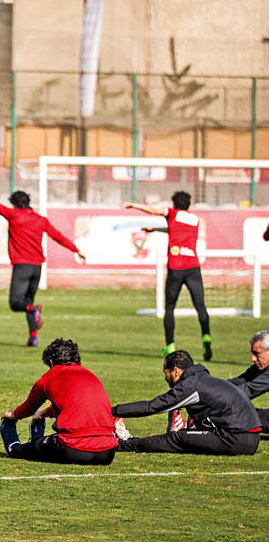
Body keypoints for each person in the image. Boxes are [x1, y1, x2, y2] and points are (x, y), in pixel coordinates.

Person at [0, 171, 85, 347]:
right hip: (37, 268)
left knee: (16, 304)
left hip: (22, 266)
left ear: (15, 204)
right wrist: (75, 249)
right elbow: (58, 236)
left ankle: (34, 310)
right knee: (28, 301)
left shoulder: (14, 215)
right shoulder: (41, 220)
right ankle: (33, 338)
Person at [112, 350, 261, 455]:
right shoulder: (201, 378)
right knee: (184, 435)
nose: (165, 378)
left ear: (176, 371)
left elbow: (153, 407)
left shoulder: (190, 386)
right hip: (249, 437)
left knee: (175, 438)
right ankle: (188, 426)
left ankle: (124, 444)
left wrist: (114, 411)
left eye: (166, 373)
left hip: (237, 439)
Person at [0, 338, 118, 465]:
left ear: (50, 361)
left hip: (74, 449)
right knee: (41, 444)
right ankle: (36, 441)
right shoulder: (90, 375)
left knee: (22, 450)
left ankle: (14, 447)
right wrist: (44, 413)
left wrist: (13, 415)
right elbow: (75, 405)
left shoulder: (47, 378)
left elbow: (28, 408)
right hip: (108, 452)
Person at [125, 192, 211, 360]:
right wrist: (155, 229)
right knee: (200, 305)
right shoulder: (195, 219)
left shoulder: (172, 213)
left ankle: (170, 345)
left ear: (174, 204)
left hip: (176, 268)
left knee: (170, 307)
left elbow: (153, 211)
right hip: (193, 267)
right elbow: (175, 229)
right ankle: (206, 336)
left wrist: (134, 205)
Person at [226, 330, 269, 432]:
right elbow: (239, 381)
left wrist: (213, 397)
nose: (253, 358)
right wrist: (209, 386)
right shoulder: (261, 367)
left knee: (239, 415)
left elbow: (249, 390)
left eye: (257, 353)